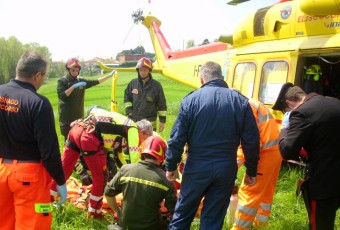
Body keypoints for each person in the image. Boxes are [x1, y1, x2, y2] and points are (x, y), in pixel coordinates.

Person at [165, 61, 260, 230]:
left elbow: (177, 138)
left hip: (196, 166)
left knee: (182, 215)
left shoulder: (190, 100)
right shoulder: (240, 101)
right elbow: (251, 141)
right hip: (225, 167)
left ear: (202, 79)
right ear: (222, 78)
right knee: (213, 219)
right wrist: (251, 170)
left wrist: (171, 165)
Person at [0, 51, 67, 229]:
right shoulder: (38, 103)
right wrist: (60, 180)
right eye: (44, 76)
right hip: (29, 177)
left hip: (0, 171)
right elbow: (49, 151)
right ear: (37, 75)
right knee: (33, 224)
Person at [50, 107, 140, 219]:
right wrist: (137, 177)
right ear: (142, 132)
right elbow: (135, 157)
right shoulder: (133, 128)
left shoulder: (120, 125)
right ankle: (94, 214)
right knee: (101, 177)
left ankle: (45, 202)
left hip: (77, 129)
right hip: (89, 136)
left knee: (64, 170)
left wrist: (124, 170)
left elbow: (118, 156)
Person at [279, 86, 340, 229]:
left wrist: (283, 130)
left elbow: (287, 151)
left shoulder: (302, 113)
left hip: (325, 183)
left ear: (289, 102)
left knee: (320, 224)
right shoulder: (335, 102)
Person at [104, 135, 177, 230]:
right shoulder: (166, 179)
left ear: (142, 152)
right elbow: (175, 209)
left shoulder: (125, 170)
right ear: (163, 156)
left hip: (125, 225)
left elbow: (108, 193)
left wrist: (118, 212)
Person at [232, 99, 282, 229]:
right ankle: (260, 224)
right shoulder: (250, 103)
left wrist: (233, 166)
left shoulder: (244, 107)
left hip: (264, 154)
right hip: (274, 152)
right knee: (265, 192)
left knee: (249, 191)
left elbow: (251, 142)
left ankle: (240, 228)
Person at [57, 57, 115, 140]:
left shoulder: (81, 80)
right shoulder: (62, 81)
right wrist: (73, 86)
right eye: (73, 70)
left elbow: (96, 81)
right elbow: (62, 96)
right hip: (66, 119)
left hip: (79, 117)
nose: (75, 72)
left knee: (79, 140)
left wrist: (108, 76)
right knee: (69, 141)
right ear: (68, 70)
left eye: (77, 70)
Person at [124, 57, 167, 132]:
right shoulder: (133, 84)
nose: (142, 72)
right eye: (140, 70)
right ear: (138, 71)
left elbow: (162, 104)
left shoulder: (156, 86)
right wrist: (129, 111)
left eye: (145, 70)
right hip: (134, 123)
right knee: (133, 142)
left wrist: (162, 121)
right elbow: (127, 97)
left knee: (148, 143)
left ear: (149, 70)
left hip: (149, 126)